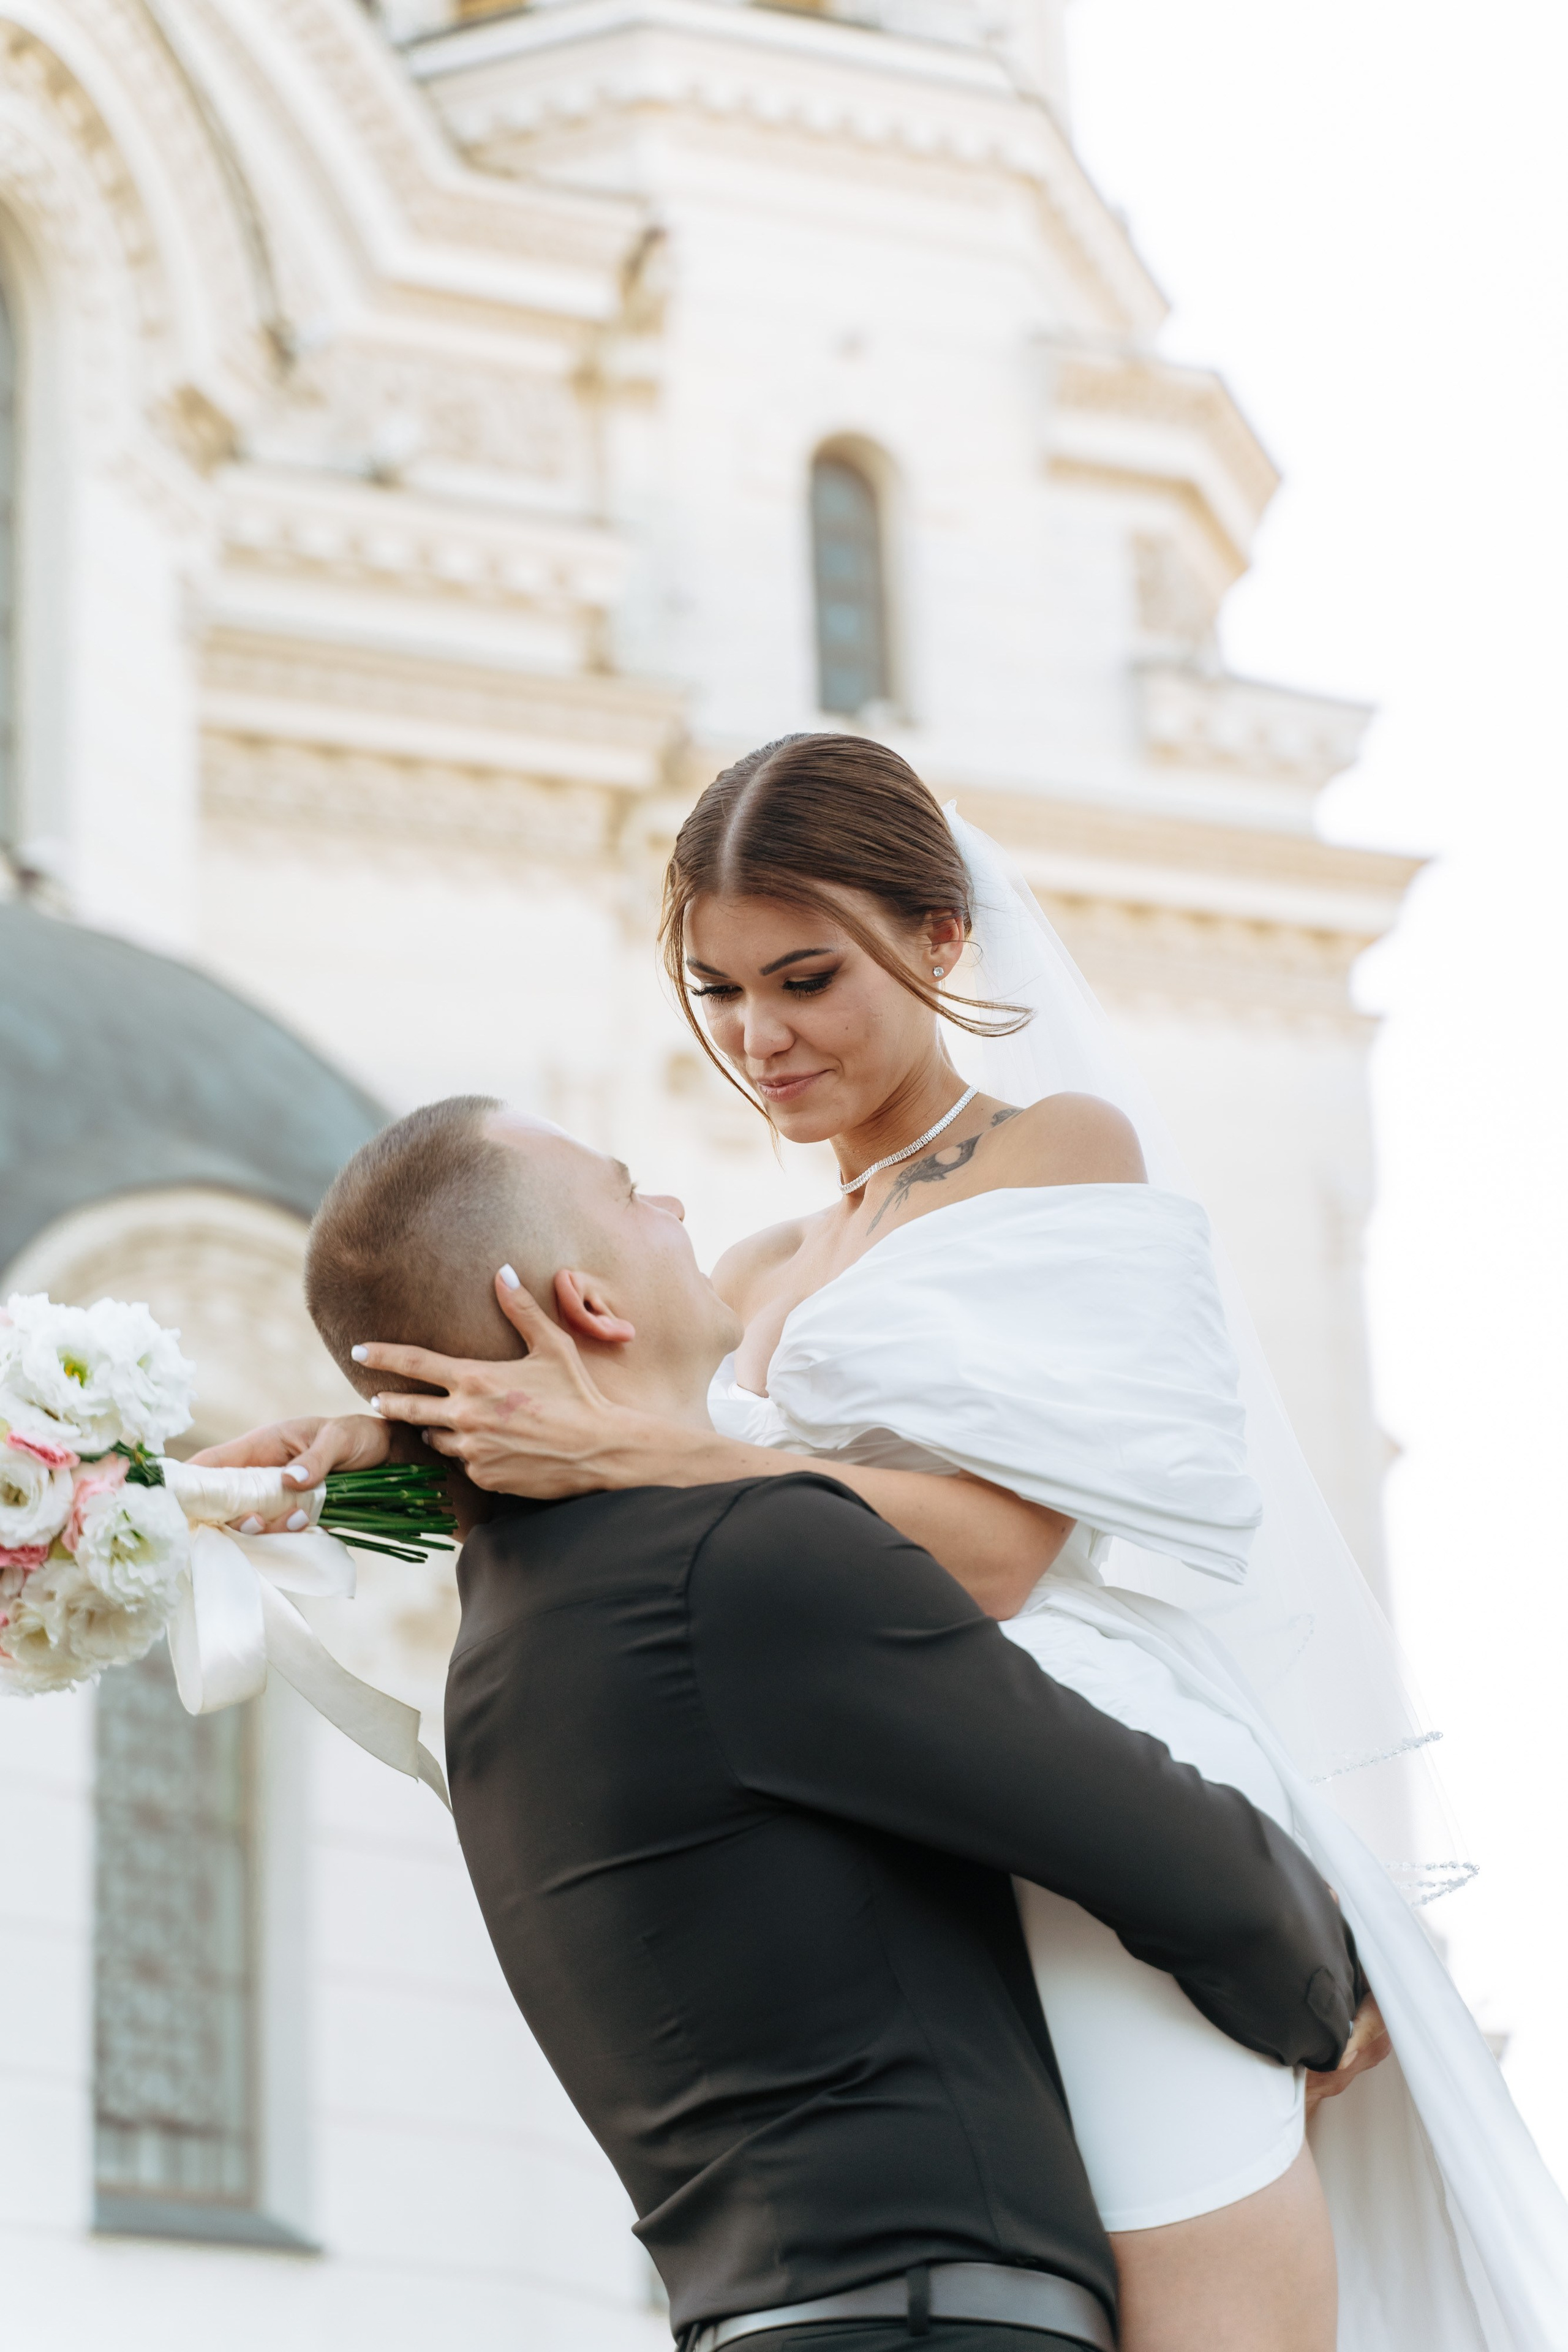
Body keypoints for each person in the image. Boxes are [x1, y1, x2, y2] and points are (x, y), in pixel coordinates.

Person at [203, 736, 1568, 2352]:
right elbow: (638, 1511)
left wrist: (665, 1446)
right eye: (717, 994)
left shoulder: (1057, 1153)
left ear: (938, 940)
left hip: (1092, 1788)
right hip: (904, 1804)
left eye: (804, 978)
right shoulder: (765, 1259)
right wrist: (368, 1464)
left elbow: (980, 1557)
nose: (761, 1040)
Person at [302, 1093, 1370, 2352]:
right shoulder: (744, 1559)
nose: (677, 1205)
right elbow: (1155, 1841)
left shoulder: (502, 1634)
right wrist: (1332, 1992)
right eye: (633, 1189)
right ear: (590, 1303)